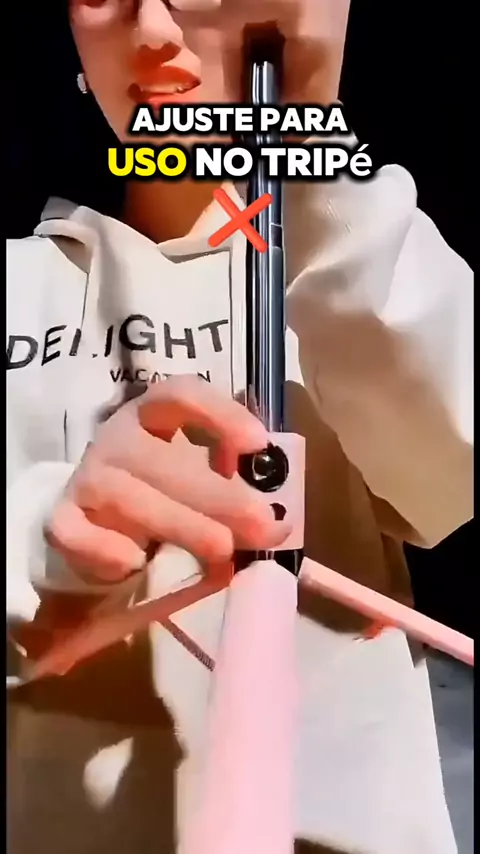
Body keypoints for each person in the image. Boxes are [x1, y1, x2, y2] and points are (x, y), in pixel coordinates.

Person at [6, 2, 473, 853]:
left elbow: (453, 471)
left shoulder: (358, 267)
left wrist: (311, 135)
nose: (154, 33)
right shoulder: (18, 288)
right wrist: (46, 534)